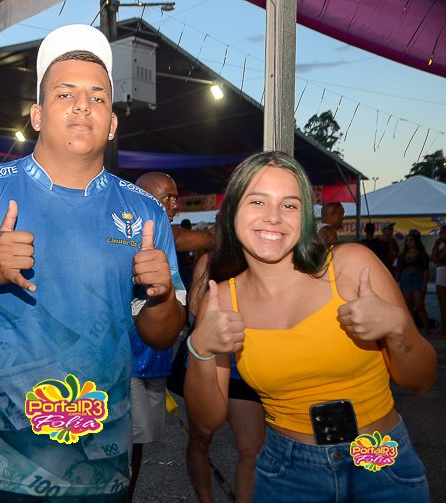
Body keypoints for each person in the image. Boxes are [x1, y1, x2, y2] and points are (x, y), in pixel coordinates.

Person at [0, 24, 186, 502]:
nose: (82, 105)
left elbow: (161, 334)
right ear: (37, 115)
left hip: (97, 473)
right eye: (65, 93)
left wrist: (160, 297)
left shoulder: (144, 212)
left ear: (112, 123)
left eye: (98, 97)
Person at [185, 151, 435, 502]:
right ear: (232, 211)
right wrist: (200, 349)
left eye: (289, 205)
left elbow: (421, 381)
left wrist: (399, 329)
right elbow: (206, 422)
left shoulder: (351, 267)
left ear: (304, 217)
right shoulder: (222, 298)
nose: (273, 216)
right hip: (288, 471)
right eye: (257, 201)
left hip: (378, 458)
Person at [129, 172, 211, 499]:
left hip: (154, 359)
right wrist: (218, 236)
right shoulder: (136, 232)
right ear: (144, 199)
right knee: (122, 447)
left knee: (137, 446)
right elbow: (186, 238)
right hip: (128, 362)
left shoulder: (165, 233)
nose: (175, 204)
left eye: (176, 197)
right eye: (168, 198)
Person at [184, 249, 264, 503]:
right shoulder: (210, 259)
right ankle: (205, 498)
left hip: (244, 362)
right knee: (201, 438)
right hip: (210, 354)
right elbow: (193, 308)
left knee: (251, 446)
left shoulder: (269, 257)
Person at [397, 229, 430, 331]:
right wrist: (397, 282)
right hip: (405, 280)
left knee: (419, 305)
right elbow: (399, 270)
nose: (409, 242)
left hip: (418, 280)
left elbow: (426, 270)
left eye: (411, 240)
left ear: (416, 241)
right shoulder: (402, 255)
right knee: (408, 306)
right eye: (407, 240)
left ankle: (427, 328)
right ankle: (412, 329)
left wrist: (424, 284)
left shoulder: (422, 254)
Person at [432, 225, 446, 337]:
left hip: (443, 272)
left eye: (442, 232)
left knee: (443, 304)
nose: (440, 235)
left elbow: (435, 259)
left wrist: (436, 244)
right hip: (442, 272)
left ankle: (444, 330)